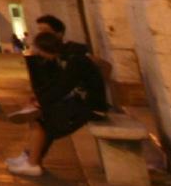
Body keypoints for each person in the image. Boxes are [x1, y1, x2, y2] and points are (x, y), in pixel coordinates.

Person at [6, 28, 109, 176]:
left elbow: (63, 87)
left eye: (41, 53)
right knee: (39, 117)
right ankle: (29, 157)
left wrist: (39, 103)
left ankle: (32, 162)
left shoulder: (76, 60)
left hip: (91, 107)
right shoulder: (65, 57)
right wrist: (37, 97)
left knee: (42, 119)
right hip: (81, 102)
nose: (41, 57)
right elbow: (57, 83)